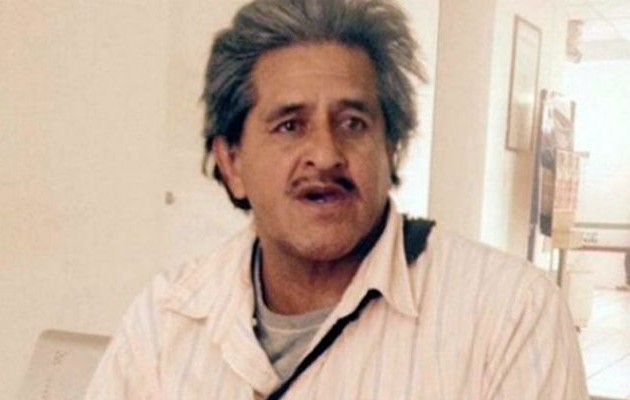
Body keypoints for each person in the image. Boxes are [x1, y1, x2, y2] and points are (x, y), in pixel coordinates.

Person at [85, 0, 589, 398]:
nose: (325, 155)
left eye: (353, 124)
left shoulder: (510, 314)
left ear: (391, 149)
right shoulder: (166, 318)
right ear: (232, 163)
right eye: (290, 125)